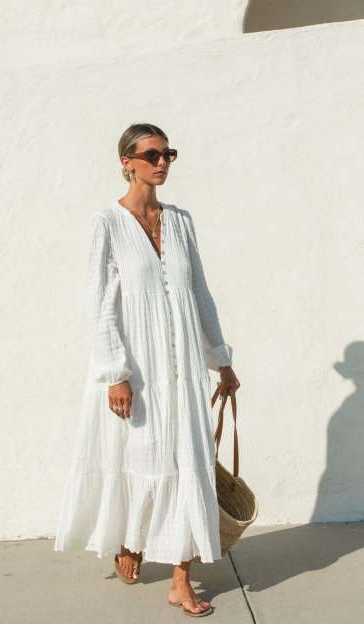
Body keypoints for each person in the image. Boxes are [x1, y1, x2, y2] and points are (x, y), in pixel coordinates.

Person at [54, 123, 240, 617]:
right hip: (137, 368)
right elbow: (98, 302)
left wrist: (221, 360)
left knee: (189, 464)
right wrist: (115, 371)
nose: (162, 163)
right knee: (142, 458)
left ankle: (181, 579)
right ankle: (131, 539)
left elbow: (200, 293)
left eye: (168, 154)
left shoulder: (180, 221)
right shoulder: (106, 223)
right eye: (152, 155)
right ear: (127, 162)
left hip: (183, 370)